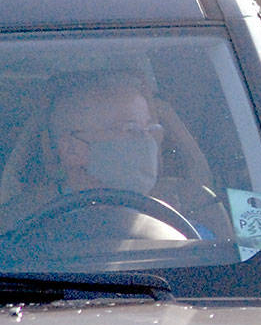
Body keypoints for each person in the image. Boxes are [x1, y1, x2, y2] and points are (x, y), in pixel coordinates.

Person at [0, 69, 227, 239]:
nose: (147, 141)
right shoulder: (26, 228)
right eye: (131, 130)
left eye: (150, 129)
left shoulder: (190, 211)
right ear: (73, 149)